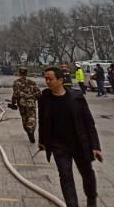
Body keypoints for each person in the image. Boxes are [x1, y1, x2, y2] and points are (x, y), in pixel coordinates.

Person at [39, 66, 103, 207]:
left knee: (87, 174)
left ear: (60, 80)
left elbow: (89, 123)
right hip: (59, 146)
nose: (47, 81)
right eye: (46, 79)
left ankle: (91, 200)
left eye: (50, 79)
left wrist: (96, 146)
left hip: (80, 143)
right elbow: (42, 120)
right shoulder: (45, 97)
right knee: (65, 176)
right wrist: (42, 141)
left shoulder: (76, 97)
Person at [10, 67, 41, 143]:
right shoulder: (32, 82)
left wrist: (13, 102)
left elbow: (15, 94)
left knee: (24, 118)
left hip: (22, 104)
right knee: (32, 117)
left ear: (19, 73)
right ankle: (31, 129)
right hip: (31, 103)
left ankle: (28, 130)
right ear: (27, 73)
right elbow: (38, 93)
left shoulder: (16, 83)